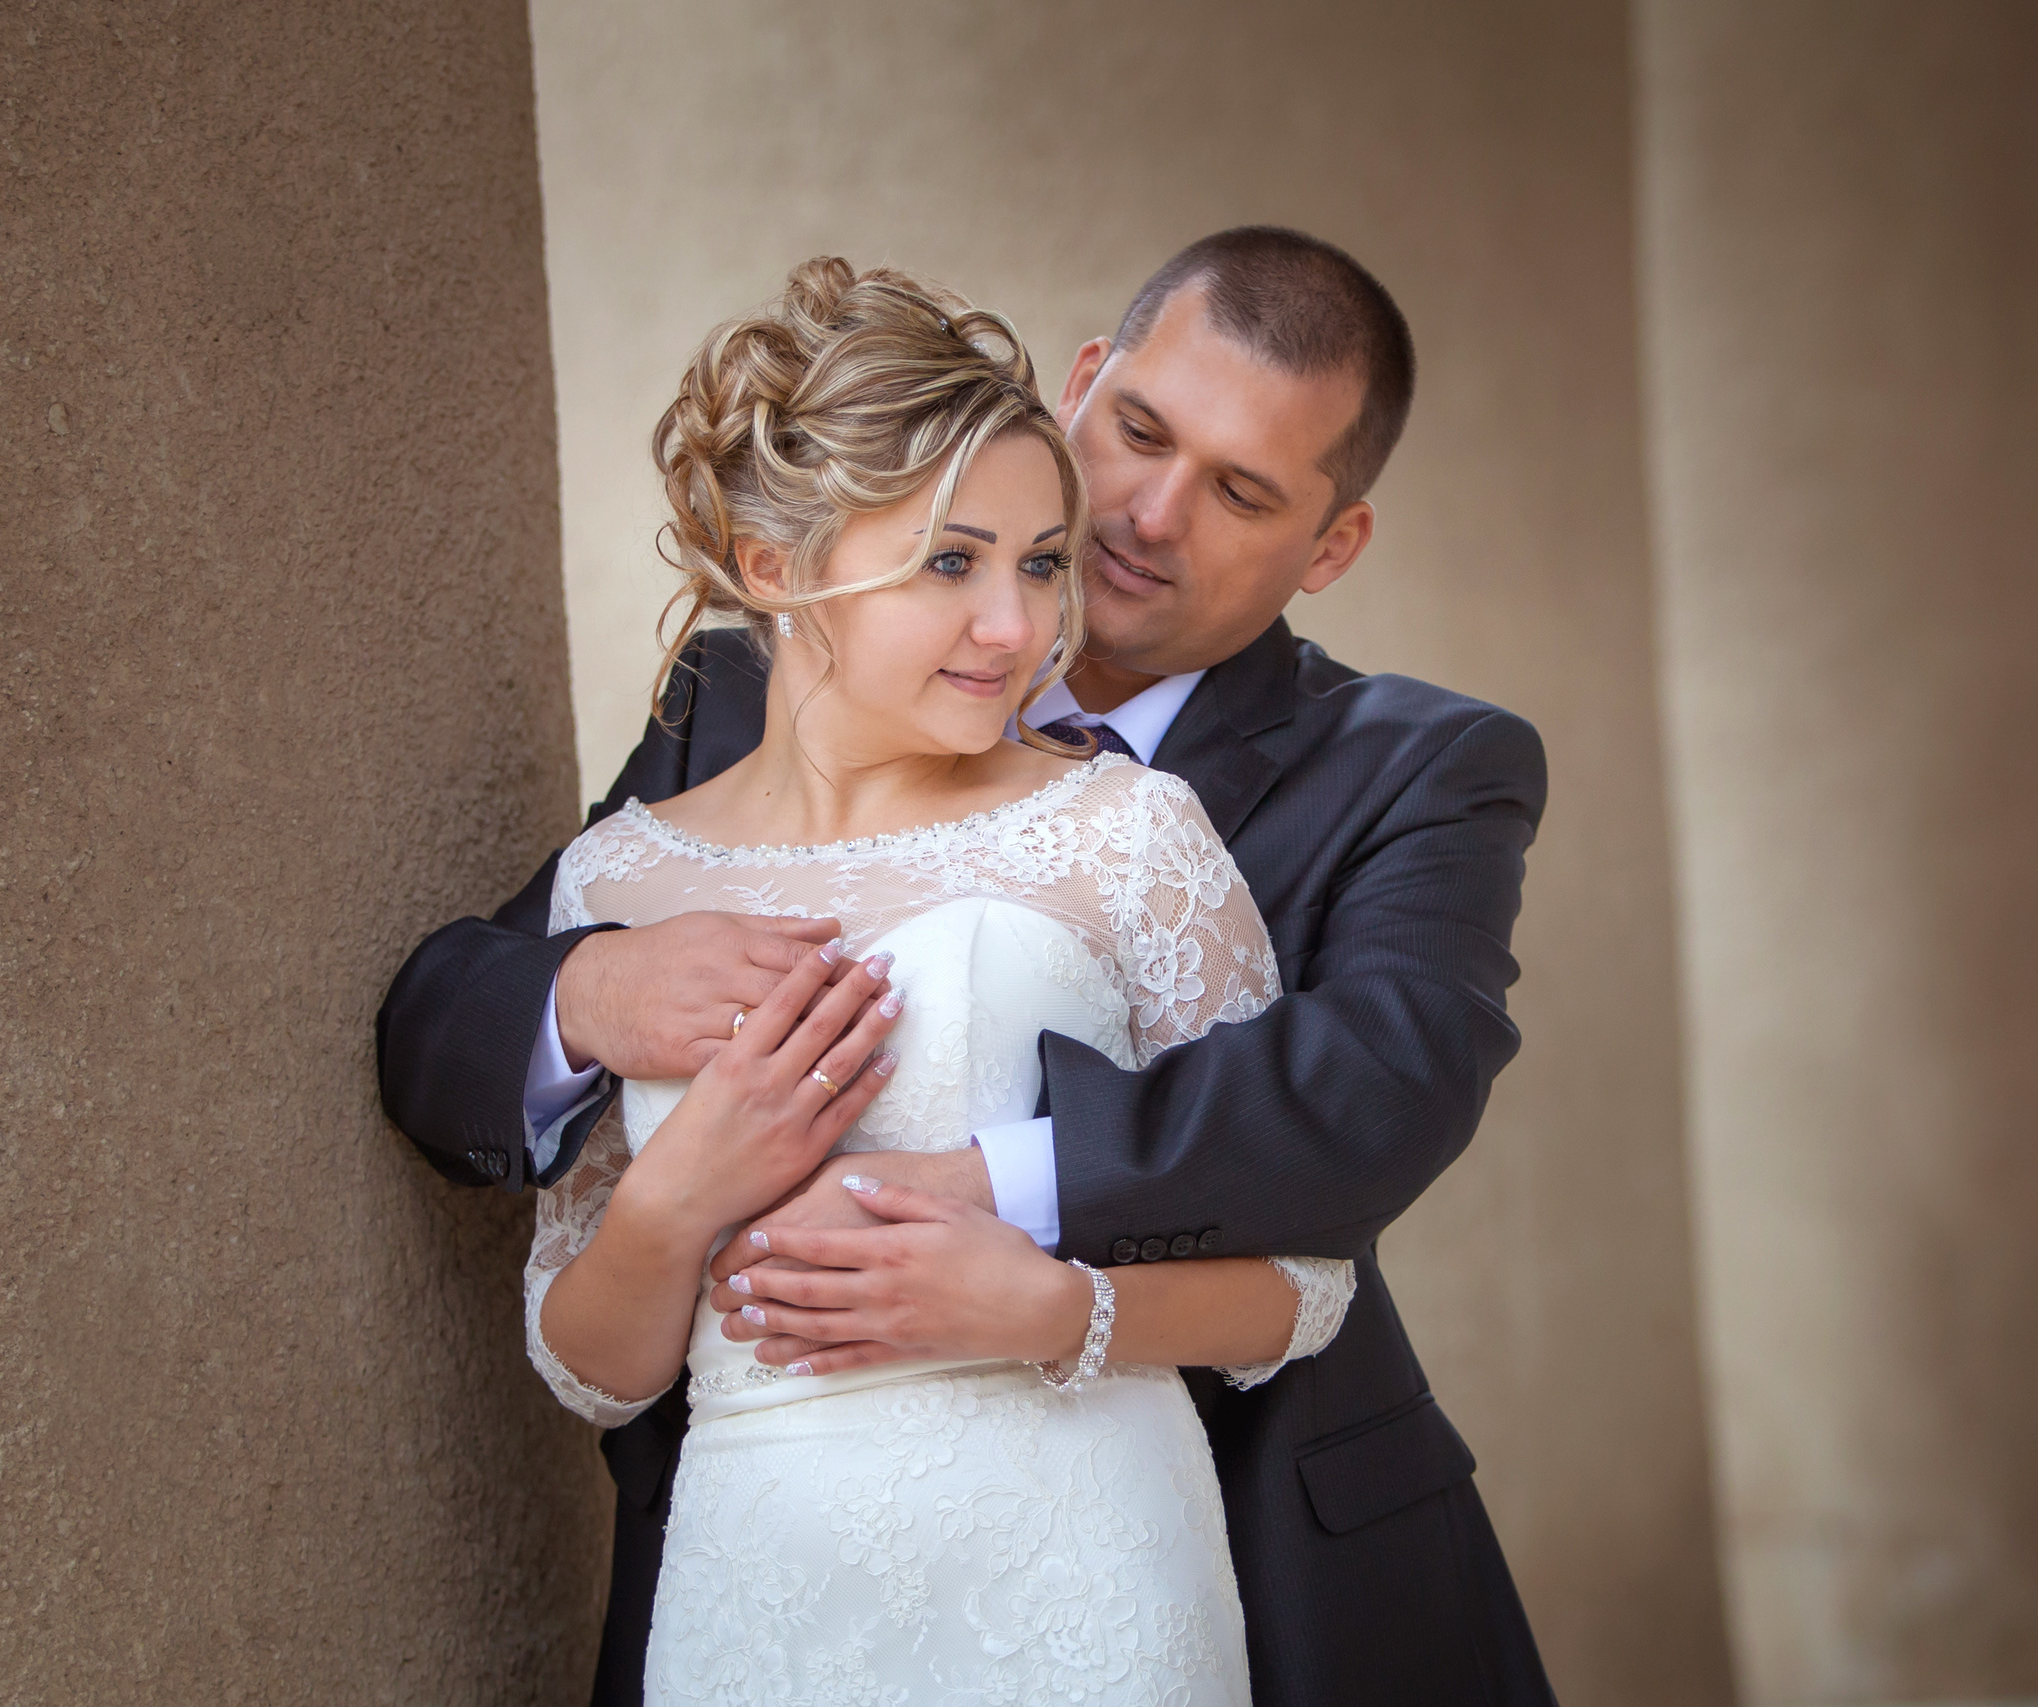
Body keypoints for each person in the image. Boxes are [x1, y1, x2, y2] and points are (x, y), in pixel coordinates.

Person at [377, 227, 1556, 1707]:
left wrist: (973, 1197)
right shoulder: (747, 688)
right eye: (1136, 432)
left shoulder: (1409, 769)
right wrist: (596, 994)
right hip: (774, 1570)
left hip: (1206, 1541)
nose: (1146, 511)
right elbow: (443, 1022)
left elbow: (1378, 1089)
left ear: (1331, 546)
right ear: (1086, 384)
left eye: (1242, 491)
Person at [524, 257, 1358, 1702]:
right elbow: (593, 1370)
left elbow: (1307, 1275)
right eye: (950, 562)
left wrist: (1055, 1313)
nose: (1017, 626)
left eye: (1041, 563)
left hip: (1086, 1574)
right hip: (760, 1595)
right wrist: (674, 1199)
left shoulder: (1124, 836)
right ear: (775, 567)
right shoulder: (620, 887)